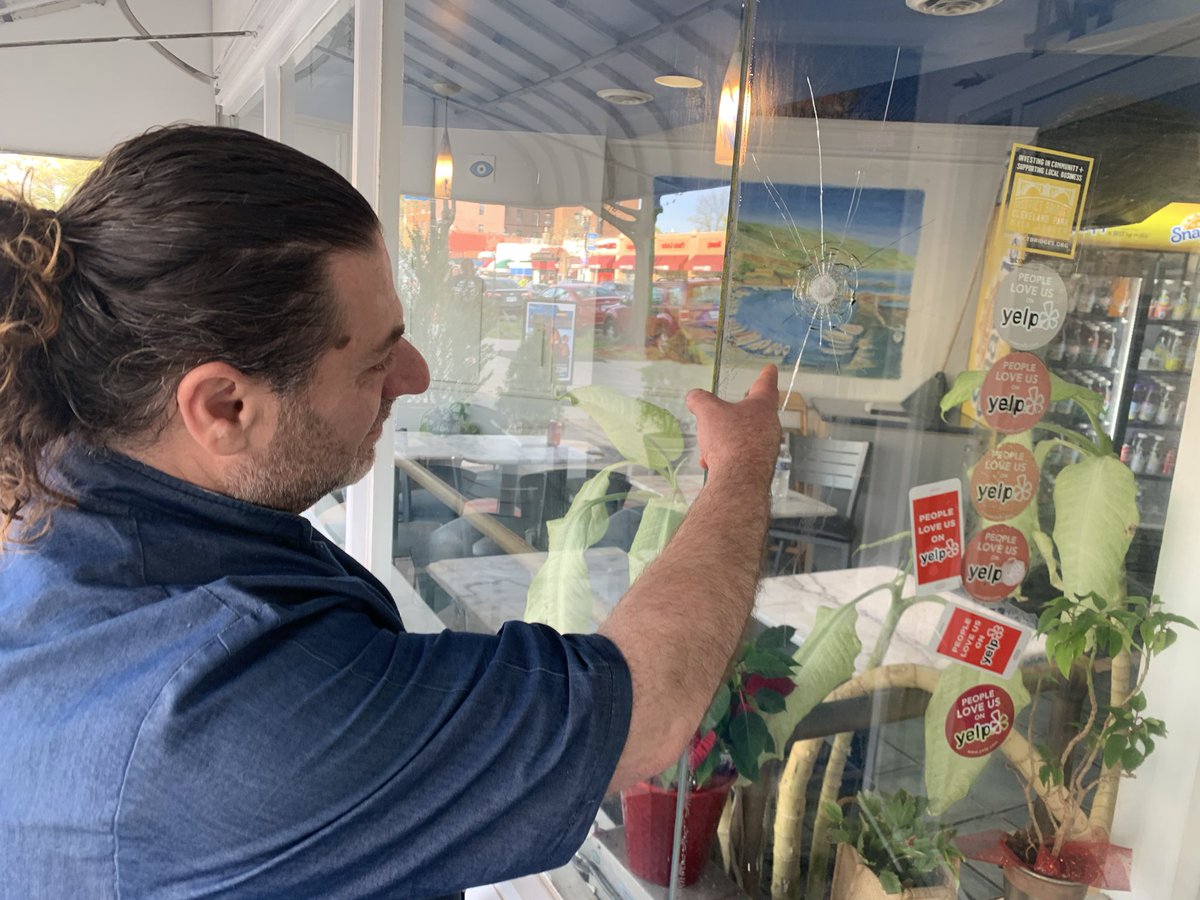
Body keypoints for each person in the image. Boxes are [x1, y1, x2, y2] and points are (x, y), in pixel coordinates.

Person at [0, 125, 781, 898]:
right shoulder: (224, 708)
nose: (415, 374)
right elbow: (644, 707)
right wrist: (742, 468)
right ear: (224, 406)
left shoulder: (57, 510)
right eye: (376, 357)